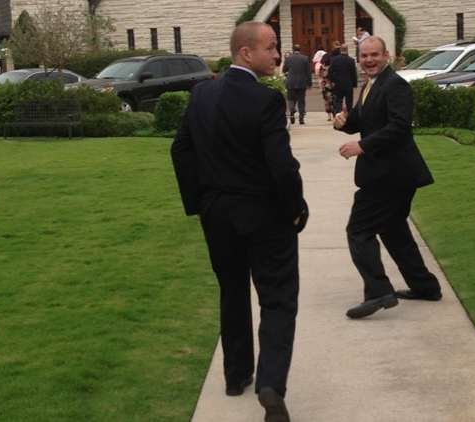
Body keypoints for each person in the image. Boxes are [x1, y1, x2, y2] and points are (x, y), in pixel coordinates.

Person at [171, 21, 308, 422]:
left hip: (217, 216)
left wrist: (200, 203)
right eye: (270, 47)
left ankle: (236, 376)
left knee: (232, 292)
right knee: (278, 298)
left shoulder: (200, 95)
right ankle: (269, 383)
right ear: (246, 53)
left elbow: (181, 151)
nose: (277, 55)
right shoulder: (266, 101)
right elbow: (281, 168)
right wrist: (296, 208)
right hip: (265, 218)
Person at [333, 35, 442, 319]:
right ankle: (425, 287)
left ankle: (379, 291)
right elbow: (360, 121)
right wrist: (344, 123)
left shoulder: (395, 86)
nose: (369, 60)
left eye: (374, 55)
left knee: (359, 230)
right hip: (390, 175)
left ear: (387, 55)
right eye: (364, 56)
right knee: (394, 231)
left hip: (391, 176)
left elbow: (399, 127)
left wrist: (362, 145)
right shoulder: (372, 85)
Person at [283, 44, 312, 125]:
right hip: (302, 82)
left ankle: (292, 110)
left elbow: (284, 70)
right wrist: (309, 84)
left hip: (291, 81)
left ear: (293, 49)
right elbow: (308, 72)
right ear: (300, 49)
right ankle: (301, 119)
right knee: (301, 100)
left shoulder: (288, 59)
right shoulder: (305, 58)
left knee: (291, 98)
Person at [328, 44, 358, 114]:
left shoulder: (334, 59)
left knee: (338, 101)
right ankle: (349, 115)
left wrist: (332, 80)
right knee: (349, 102)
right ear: (347, 50)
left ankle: (339, 113)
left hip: (338, 83)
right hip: (348, 83)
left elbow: (330, 71)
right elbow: (353, 72)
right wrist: (355, 83)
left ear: (340, 50)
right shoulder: (351, 60)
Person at [318, 53, 334, 121]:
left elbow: (320, 78)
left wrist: (320, 87)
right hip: (332, 85)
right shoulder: (332, 67)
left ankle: (328, 115)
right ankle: (334, 114)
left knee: (326, 101)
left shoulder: (321, 68)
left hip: (324, 85)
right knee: (333, 100)